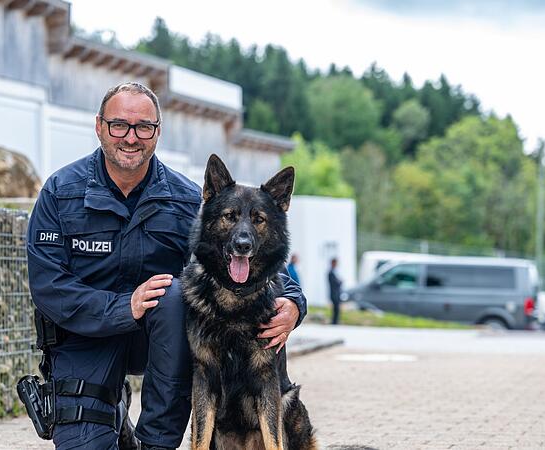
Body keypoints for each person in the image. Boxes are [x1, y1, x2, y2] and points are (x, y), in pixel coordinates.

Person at [26, 82, 308, 450]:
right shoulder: (61, 192)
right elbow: (49, 286)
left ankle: (154, 443)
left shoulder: (185, 199)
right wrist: (121, 307)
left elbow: (245, 259)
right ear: (99, 127)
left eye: (143, 127)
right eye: (119, 125)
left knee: (174, 296)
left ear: (157, 132)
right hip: (85, 339)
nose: (131, 137)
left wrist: (293, 303)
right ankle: (112, 412)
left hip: (158, 342)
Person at [328, 257, 343, 325]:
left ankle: (336, 321)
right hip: (334, 293)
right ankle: (334, 321)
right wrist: (340, 281)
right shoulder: (331, 272)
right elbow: (335, 283)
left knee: (337, 308)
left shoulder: (334, 272)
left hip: (337, 293)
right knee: (335, 308)